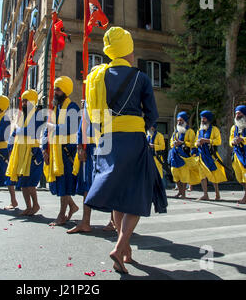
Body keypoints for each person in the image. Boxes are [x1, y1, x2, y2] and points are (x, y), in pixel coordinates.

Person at [83, 27, 167, 274]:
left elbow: (93, 114)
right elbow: (152, 115)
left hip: (107, 139)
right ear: (128, 50)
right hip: (133, 139)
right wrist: (142, 124)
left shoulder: (97, 76)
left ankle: (126, 249)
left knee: (119, 194)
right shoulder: (140, 78)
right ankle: (119, 247)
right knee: (137, 195)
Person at [67, 101, 115, 234]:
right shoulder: (88, 97)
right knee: (87, 183)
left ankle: (113, 220)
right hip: (89, 146)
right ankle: (85, 221)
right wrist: (79, 146)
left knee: (108, 182)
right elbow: (83, 122)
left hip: (107, 143)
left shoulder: (110, 91)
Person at [42, 76, 80, 226]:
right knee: (60, 183)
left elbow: (71, 128)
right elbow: (46, 130)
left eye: (57, 89)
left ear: (64, 91)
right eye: (55, 89)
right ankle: (72, 206)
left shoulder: (73, 108)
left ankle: (61, 215)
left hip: (67, 151)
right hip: (54, 150)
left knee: (64, 184)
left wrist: (53, 128)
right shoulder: (55, 108)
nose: (55, 92)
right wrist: (44, 148)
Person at [6, 89, 44, 216]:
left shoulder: (39, 115)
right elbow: (15, 132)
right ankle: (28, 207)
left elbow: (31, 130)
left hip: (32, 153)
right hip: (20, 153)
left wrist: (18, 130)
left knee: (30, 183)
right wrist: (10, 143)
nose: (23, 103)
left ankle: (36, 205)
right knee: (23, 183)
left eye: (26, 101)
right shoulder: (22, 117)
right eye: (22, 101)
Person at [194, 110, 227, 201]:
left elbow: (218, 141)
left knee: (213, 175)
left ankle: (217, 194)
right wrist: (197, 143)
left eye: (204, 118)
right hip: (201, 156)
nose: (202, 120)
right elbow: (195, 143)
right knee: (202, 176)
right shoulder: (199, 131)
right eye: (201, 118)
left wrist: (207, 141)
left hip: (211, 156)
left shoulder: (215, 129)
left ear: (208, 119)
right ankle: (205, 195)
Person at [169, 111, 200, 199]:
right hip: (175, 156)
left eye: (181, 120)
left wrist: (182, 143)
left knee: (184, 176)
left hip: (184, 157)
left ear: (185, 121)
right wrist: (174, 143)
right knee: (175, 174)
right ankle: (179, 191)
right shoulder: (175, 132)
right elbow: (171, 142)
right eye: (178, 120)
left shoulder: (190, 131)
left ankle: (183, 194)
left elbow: (193, 143)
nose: (179, 122)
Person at [230, 105, 246, 204]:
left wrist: (242, 140)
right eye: (236, 113)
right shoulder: (233, 127)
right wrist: (233, 142)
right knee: (240, 178)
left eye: (239, 113)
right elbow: (230, 141)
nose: (237, 115)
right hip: (237, 155)